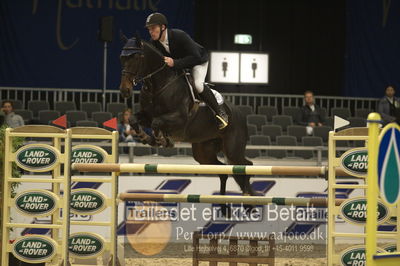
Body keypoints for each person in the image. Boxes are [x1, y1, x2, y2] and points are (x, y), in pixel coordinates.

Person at [144, 12, 229, 129]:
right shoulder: (154, 43)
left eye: (153, 28)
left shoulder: (179, 36)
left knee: (198, 85)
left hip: (198, 61)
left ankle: (220, 112)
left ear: (163, 27)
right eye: (149, 29)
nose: (151, 32)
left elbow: (195, 57)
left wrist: (175, 63)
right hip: (180, 65)